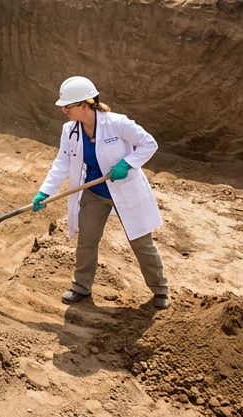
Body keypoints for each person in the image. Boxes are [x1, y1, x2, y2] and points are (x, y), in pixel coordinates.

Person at [32, 76, 170, 309]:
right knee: (87, 242)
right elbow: (62, 163)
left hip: (125, 192)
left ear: (84, 105)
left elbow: (149, 143)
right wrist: (45, 191)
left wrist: (128, 163)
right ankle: (81, 287)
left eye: (68, 106)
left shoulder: (117, 123)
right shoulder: (70, 130)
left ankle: (160, 290)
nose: (64, 110)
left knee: (141, 243)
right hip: (94, 192)